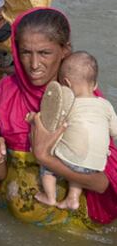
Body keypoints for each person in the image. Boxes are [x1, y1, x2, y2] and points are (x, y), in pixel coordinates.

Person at [0, 7, 117, 230]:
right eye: (25, 52)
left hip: (70, 233)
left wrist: (45, 158)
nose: (33, 64)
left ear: (65, 51)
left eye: (44, 53)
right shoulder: (5, 91)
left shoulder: (85, 105)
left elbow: (102, 184)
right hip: (13, 225)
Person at [36, 51, 117, 210]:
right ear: (95, 85)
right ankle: (73, 198)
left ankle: (50, 197)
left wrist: (35, 119)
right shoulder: (106, 105)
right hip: (97, 164)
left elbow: (53, 125)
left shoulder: (69, 104)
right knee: (80, 163)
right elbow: (114, 131)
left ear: (66, 84)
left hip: (72, 160)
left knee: (49, 167)